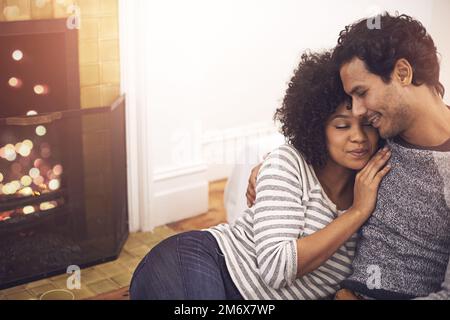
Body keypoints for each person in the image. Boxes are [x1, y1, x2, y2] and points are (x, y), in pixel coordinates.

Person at [129, 51, 390, 300]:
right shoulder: (289, 163)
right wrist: (357, 213)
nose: (358, 137)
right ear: (317, 127)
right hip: (200, 261)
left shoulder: (379, 188)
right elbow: (276, 268)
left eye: (367, 123)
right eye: (342, 125)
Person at [247, 13, 450, 300]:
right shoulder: (381, 134)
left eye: (362, 92)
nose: (356, 111)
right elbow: (322, 142)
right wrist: (270, 166)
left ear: (403, 73)